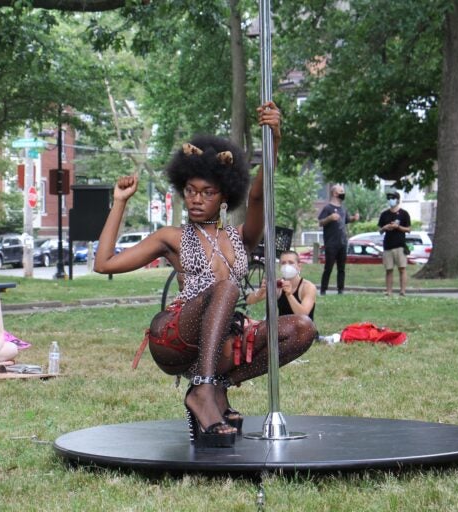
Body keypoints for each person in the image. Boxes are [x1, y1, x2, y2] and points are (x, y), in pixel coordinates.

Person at [94, 102, 317, 448]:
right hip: (175, 336)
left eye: (207, 193)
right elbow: (104, 263)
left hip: (219, 343)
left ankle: (215, 389)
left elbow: (260, 195)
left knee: (302, 329)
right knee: (226, 287)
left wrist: (274, 139)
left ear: (224, 196)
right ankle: (203, 391)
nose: (197, 200)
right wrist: (120, 201)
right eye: (191, 191)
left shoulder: (241, 237)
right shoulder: (172, 237)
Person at [246, 250, 317, 320]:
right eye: (283, 263)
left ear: (299, 266)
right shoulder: (278, 284)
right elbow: (249, 301)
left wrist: (289, 295)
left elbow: (303, 315)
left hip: (304, 329)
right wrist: (261, 291)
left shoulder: (308, 287)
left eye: (291, 262)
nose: (287, 266)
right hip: (283, 329)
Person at [317, 184, 360, 295]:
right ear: (335, 193)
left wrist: (354, 218)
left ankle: (340, 290)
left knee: (341, 268)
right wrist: (330, 218)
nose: (343, 193)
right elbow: (321, 222)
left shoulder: (343, 208)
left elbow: (346, 220)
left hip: (342, 242)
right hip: (331, 243)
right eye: (341, 191)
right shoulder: (328, 208)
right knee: (328, 268)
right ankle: (323, 290)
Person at [377, 190, 411, 297]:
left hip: (400, 245)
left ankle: (403, 291)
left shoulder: (404, 214)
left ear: (397, 199)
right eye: (389, 198)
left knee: (402, 268)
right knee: (389, 269)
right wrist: (385, 227)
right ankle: (389, 291)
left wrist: (398, 227)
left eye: (392, 198)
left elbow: (408, 229)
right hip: (388, 245)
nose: (390, 200)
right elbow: (380, 231)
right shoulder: (384, 214)